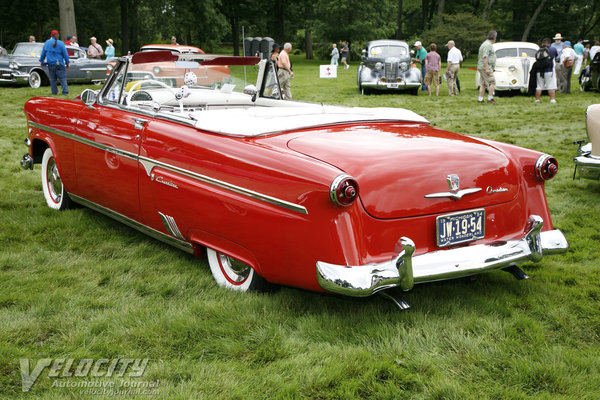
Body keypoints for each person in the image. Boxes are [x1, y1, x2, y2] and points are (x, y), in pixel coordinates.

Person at [39, 30, 70, 95]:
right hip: (59, 63)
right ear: (58, 35)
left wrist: (41, 61)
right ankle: (65, 92)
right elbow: (65, 54)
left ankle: (54, 92)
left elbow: (43, 53)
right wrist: (67, 63)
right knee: (63, 79)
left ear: (51, 35)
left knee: (53, 80)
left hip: (51, 64)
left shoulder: (47, 43)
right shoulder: (61, 43)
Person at [534, 38, 557, 104]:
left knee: (539, 86)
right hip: (549, 70)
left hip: (539, 71)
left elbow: (536, 57)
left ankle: (537, 99)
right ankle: (552, 99)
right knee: (550, 86)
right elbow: (556, 57)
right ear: (549, 43)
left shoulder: (539, 50)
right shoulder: (553, 49)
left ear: (542, 43)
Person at [477, 30, 497, 104]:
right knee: (492, 82)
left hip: (482, 67)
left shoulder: (485, 44)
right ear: (494, 38)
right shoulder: (487, 45)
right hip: (485, 67)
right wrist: (487, 68)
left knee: (483, 84)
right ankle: (490, 99)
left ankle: (480, 99)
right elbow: (485, 57)